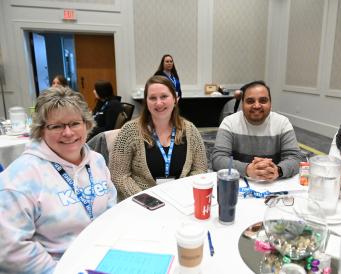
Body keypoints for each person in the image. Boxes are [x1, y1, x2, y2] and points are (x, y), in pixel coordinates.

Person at [0, 86, 117, 273]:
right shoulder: (20, 178)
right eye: (56, 126)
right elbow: (10, 250)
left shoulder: (96, 161)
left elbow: (111, 210)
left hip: (100, 259)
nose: (68, 133)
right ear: (41, 131)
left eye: (74, 123)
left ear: (86, 124)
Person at [109, 75, 207, 201]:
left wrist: (183, 192)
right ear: (146, 101)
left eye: (164, 96)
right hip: (141, 204)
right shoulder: (129, 131)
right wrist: (147, 200)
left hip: (180, 201)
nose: (159, 103)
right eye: (152, 98)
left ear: (176, 99)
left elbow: (200, 168)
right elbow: (119, 176)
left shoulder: (190, 130)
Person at [212, 80, 303, 181]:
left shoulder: (282, 123)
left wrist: (278, 170)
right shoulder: (229, 123)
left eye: (263, 100)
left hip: (273, 182)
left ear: (270, 103)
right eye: (250, 101)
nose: (256, 106)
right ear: (242, 104)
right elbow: (218, 159)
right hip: (239, 182)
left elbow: (295, 158)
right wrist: (247, 169)